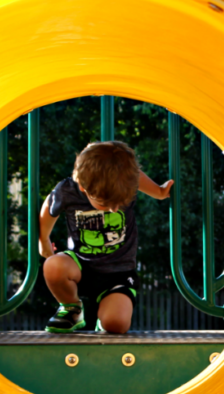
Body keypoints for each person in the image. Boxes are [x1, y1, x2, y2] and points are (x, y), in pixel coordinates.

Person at [39, 141, 172, 334]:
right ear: (84, 187)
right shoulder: (68, 190)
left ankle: (105, 319)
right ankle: (71, 308)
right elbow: (48, 210)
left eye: (120, 203)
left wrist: (159, 192)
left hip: (118, 274)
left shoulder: (125, 181)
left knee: (115, 324)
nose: (115, 209)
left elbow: (134, 175)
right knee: (53, 265)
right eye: (105, 203)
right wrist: (43, 240)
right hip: (81, 265)